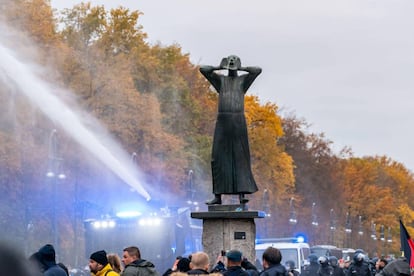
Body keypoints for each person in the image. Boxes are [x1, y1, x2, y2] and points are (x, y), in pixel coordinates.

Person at [199, 55, 262, 205]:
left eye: (235, 60)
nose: (232, 62)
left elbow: (257, 71)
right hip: (223, 121)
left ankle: (242, 194)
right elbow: (203, 70)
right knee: (217, 158)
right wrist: (219, 67)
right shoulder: (221, 81)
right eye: (230, 60)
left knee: (240, 157)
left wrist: (241, 68)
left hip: (238, 121)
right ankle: (218, 196)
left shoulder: (242, 82)